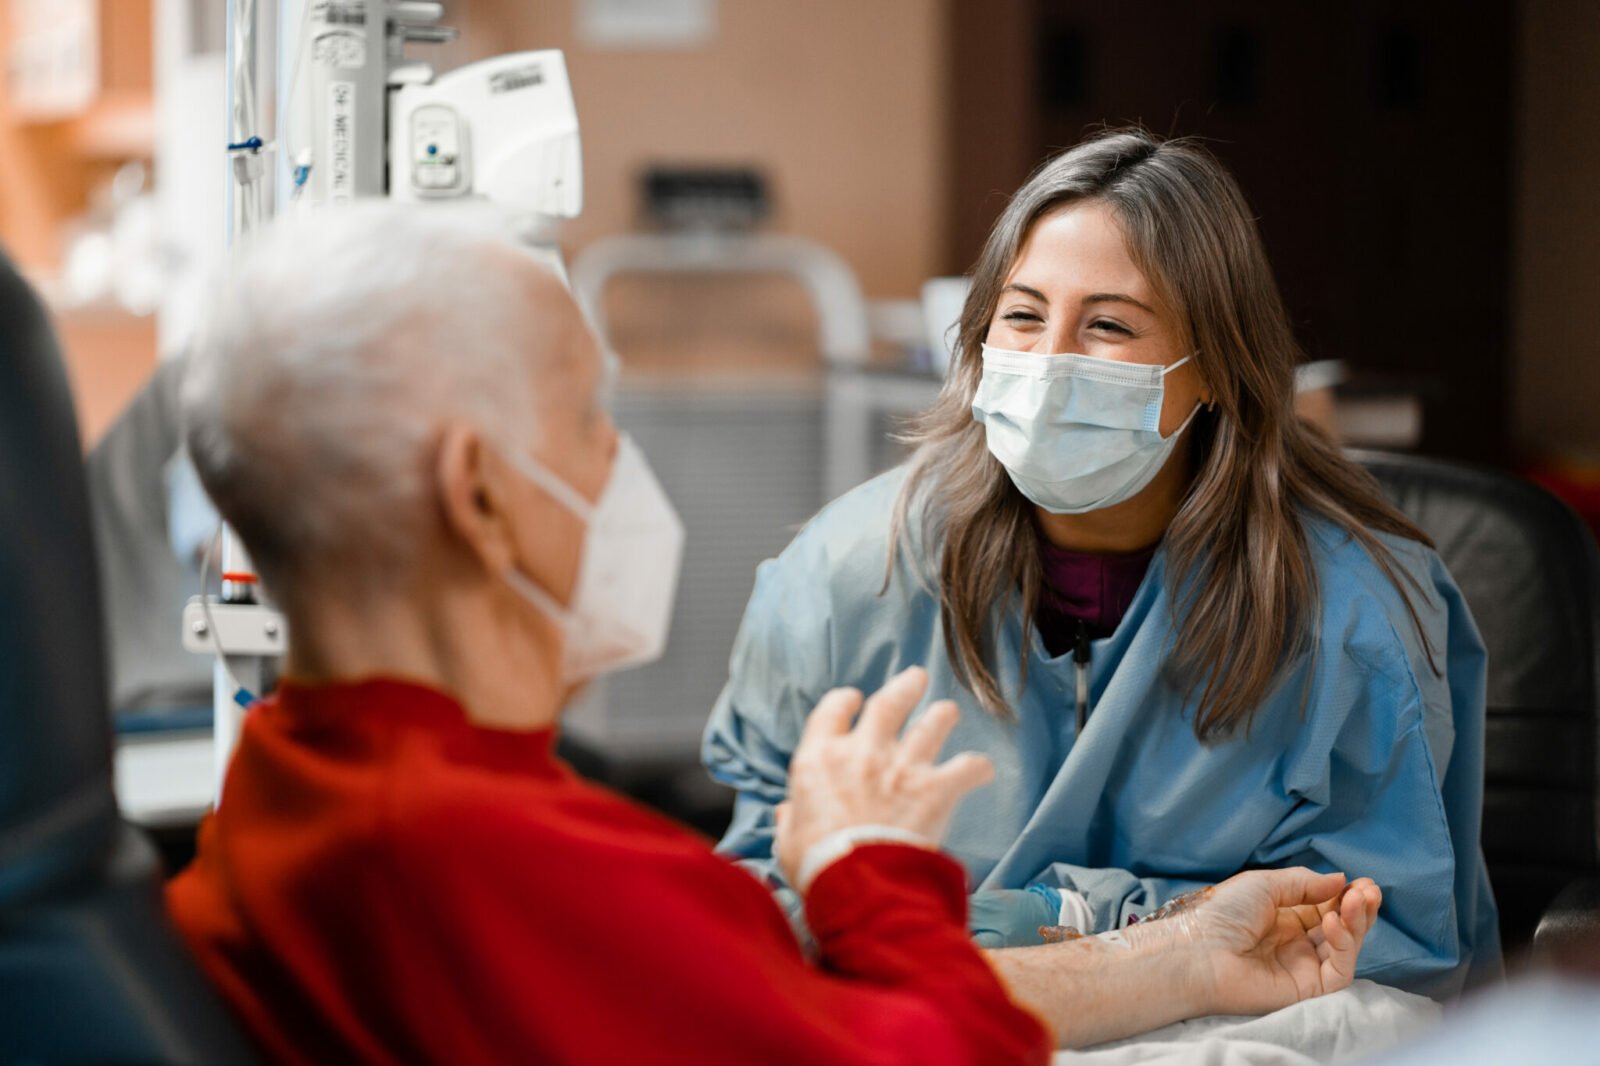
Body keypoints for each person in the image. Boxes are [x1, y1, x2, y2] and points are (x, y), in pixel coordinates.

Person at [164, 202, 1382, 1063]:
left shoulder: (271, 805)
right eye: (591, 415)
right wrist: (873, 879)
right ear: (482, 496)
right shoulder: (534, 876)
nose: (618, 459)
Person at [703, 128, 1500, 1009]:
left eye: (1109, 325)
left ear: (1217, 371)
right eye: (1023, 315)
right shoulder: (849, 574)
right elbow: (756, 892)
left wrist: (1057, 919)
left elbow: (1384, 944)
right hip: (918, 1016)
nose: (1049, 365)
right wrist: (1100, 934)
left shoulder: (1353, 616)